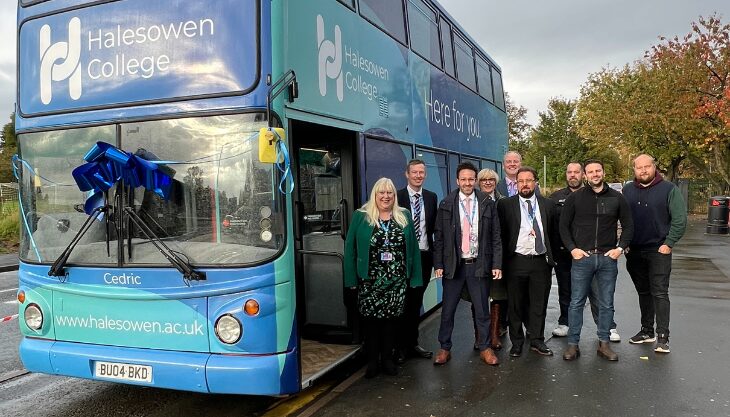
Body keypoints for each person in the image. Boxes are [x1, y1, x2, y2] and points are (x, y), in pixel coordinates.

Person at [344, 178, 423, 378]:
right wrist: (351, 281)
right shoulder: (361, 216)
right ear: (375, 195)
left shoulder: (403, 215)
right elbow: (350, 250)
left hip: (396, 281)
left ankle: (387, 359)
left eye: (390, 193)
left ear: (394, 196)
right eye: (382, 193)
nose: (386, 196)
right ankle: (372, 362)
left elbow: (413, 249)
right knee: (371, 323)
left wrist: (414, 279)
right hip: (370, 281)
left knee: (391, 323)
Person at [559, 160, 633, 361]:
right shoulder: (576, 198)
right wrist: (573, 249)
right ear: (585, 175)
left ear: (603, 172)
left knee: (606, 303)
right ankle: (573, 345)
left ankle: (604, 344)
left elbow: (629, 226)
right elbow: (563, 227)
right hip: (582, 259)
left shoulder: (617, 198)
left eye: (597, 171)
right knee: (576, 303)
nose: (594, 174)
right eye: (590, 172)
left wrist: (619, 249)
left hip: (607, 260)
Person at [433, 162, 502, 366]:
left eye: (471, 179)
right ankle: (445, 348)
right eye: (463, 179)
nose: (467, 183)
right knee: (448, 311)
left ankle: (485, 347)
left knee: (482, 310)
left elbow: (495, 236)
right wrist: (438, 264)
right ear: (457, 180)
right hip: (454, 265)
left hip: (478, 263)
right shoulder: (446, 203)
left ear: (476, 181)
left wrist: (496, 264)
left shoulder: (487, 203)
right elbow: (439, 237)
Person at [623, 154, 687, 354]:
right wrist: (623, 243)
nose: (643, 170)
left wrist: (669, 243)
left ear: (654, 167)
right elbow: (623, 219)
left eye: (647, 166)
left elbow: (679, 219)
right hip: (634, 250)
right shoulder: (627, 190)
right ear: (634, 170)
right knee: (643, 292)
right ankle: (646, 331)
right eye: (639, 167)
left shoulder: (669, 190)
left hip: (659, 250)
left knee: (659, 292)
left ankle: (662, 337)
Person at [550, 162, 620, 342]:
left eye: (576, 172)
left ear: (583, 175)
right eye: (569, 172)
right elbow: (554, 226)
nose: (573, 175)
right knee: (566, 292)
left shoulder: (595, 196)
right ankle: (565, 322)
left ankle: (607, 326)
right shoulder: (555, 197)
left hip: (590, 253)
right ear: (566, 174)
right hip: (565, 253)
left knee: (597, 292)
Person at [497, 167, 556, 357]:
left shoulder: (548, 204)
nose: (524, 184)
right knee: (515, 304)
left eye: (529, 180)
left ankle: (537, 340)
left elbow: (553, 233)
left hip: (540, 261)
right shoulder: (505, 205)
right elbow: (501, 234)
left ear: (535, 182)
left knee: (539, 303)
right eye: (520, 181)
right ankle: (517, 342)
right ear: (516, 184)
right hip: (516, 261)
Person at [395, 159, 437, 362]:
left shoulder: (431, 197)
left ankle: (412, 343)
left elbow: (433, 230)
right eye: (414, 172)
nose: (418, 176)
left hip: (424, 257)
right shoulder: (397, 197)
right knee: (403, 303)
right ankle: (400, 347)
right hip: (403, 259)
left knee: (416, 303)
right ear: (407, 174)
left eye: (421, 172)